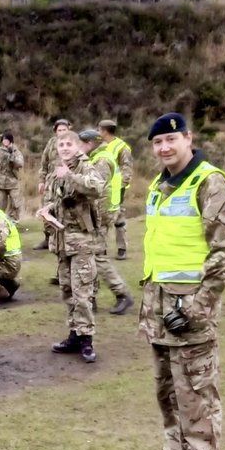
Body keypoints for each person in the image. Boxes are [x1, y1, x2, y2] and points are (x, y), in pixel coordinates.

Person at [136, 114, 225, 450]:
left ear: (188, 139)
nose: (164, 148)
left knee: (196, 389)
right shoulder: (161, 185)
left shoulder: (209, 182)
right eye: (157, 142)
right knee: (168, 390)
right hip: (160, 309)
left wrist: (199, 310)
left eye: (170, 139)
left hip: (189, 310)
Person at [37, 130, 105, 363]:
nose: (64, 148)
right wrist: (47, 210)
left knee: (82, 292)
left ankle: (87, 339)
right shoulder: (58, 169)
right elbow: (54, 199)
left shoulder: (84, 167)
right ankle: (74, 334)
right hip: (62, 241)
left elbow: (97, 188)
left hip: (81, 241)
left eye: (68, 144)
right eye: (61, 144)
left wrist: (71, 177)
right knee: (67, 290)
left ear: (77, 146)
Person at [78, 129, 135, 315]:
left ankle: (122, 293)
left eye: (81, 143)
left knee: (97, 257)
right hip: (101, 215)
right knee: (91, 255)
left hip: (101, 217)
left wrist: (95, 219)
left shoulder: (101, 160)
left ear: (89, 143)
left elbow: (98, 192)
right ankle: (91, 297)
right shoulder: (102, 156)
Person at [35, 118, 72, 273]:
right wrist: (41, 181)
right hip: (51, 183)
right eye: (59, 130)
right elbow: (44, 163)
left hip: (66, 184)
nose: (62, 133)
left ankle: (63, 260)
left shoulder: (73, 143)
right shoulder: (51, 144)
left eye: (64, 130)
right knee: (46, 213)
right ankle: (49, 238)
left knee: (61, 217)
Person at [98, 119, 133, 259]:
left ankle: (122, 248)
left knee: (119, 219)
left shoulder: (122, 147)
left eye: (99, 130)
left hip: (117, 189)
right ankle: (102, 249)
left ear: (104, 131)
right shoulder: (101, 146)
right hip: (103, 188)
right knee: (102, 219)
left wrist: (120, 186)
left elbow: (127, 168)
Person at [0, 131, 24, 221]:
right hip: (0, 182)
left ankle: (13, 221)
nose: (4, 141)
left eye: (6, 139)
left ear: (10, 141)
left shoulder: (16, 151)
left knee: (15, 203)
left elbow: (20, 164)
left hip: (12, 182)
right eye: (3, 140)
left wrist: (12, 156)